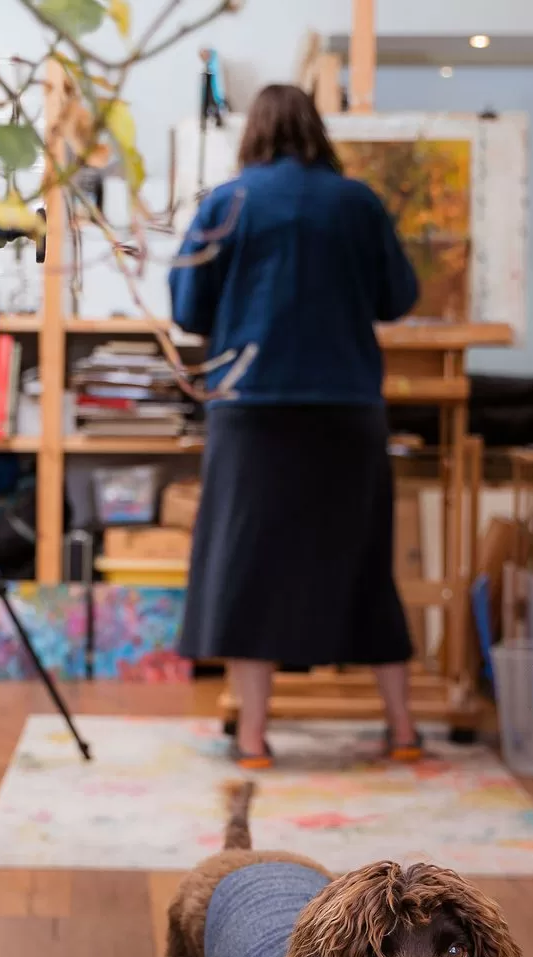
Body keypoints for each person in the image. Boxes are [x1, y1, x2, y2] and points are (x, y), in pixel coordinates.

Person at [169, 83, 423, 771]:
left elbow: (188, 308)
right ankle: (402, 730)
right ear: (317, 131)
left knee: (250, 570)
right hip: (346, 410)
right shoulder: (359, 202)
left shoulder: (229, 202)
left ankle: (252, 740)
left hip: (252, 411)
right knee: (366, 566)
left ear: (254, 131)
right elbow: (399, 298)